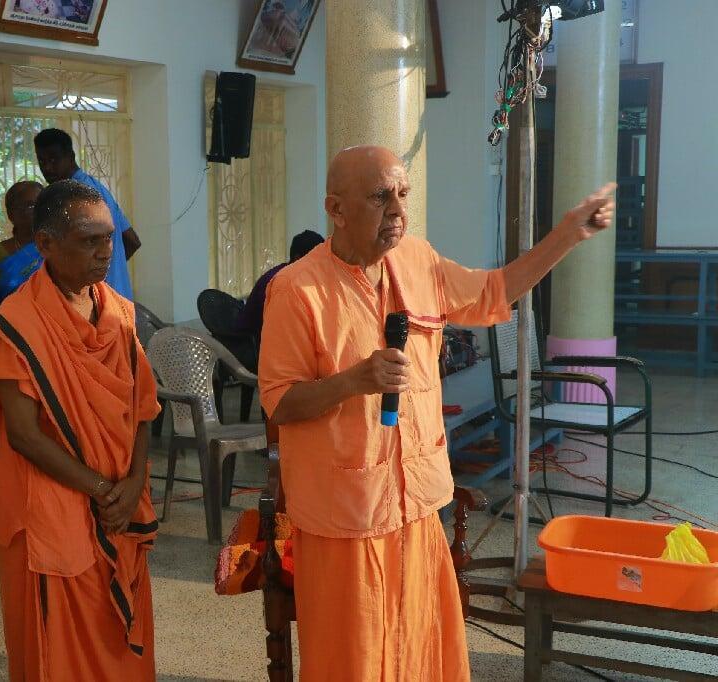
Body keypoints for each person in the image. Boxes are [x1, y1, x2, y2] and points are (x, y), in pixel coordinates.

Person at [258, 145, 615, 681]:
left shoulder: (418, 261)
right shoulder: (297, 289)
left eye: (402, 194)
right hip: (346, 517)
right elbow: (280, 401)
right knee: (351, 662)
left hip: (417, 506)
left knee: (422, 652)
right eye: (380, 197)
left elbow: (494, 291)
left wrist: (567, 235)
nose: (398, 210)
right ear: (336, 209)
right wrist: (354, 380)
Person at [0, 180, 160, 681]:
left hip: (117, 502)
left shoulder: (120, 313)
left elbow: (142, 408)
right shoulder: (17, 324)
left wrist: (134, 483)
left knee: (120, 649)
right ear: (46, 244)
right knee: (58, 655)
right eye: (88, 240)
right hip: (49, 508)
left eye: (108, 238)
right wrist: (102, 489)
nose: (105, 252)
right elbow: (24, 435)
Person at [35, 128, 140, 300]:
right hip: (117, 298)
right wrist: (113, 269)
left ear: (71, 156)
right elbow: (132, 240)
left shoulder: (72, 198)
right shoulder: (97, 189)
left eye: (54, 159)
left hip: (94, 304)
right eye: (42, 161)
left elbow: (132, 241)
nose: (47, 167)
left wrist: (102, 272)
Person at [0, 179, 44, 329]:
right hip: (9, 332)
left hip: (52, 333)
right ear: (12, 214)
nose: (39, 211)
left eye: (42, 205)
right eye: (31, 205)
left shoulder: (56, 249)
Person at [235, 228, 325, 339]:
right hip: (251, 342)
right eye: (316, 261)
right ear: (298, 258)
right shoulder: (280, 284)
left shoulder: (296, 278)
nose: (320, 267)